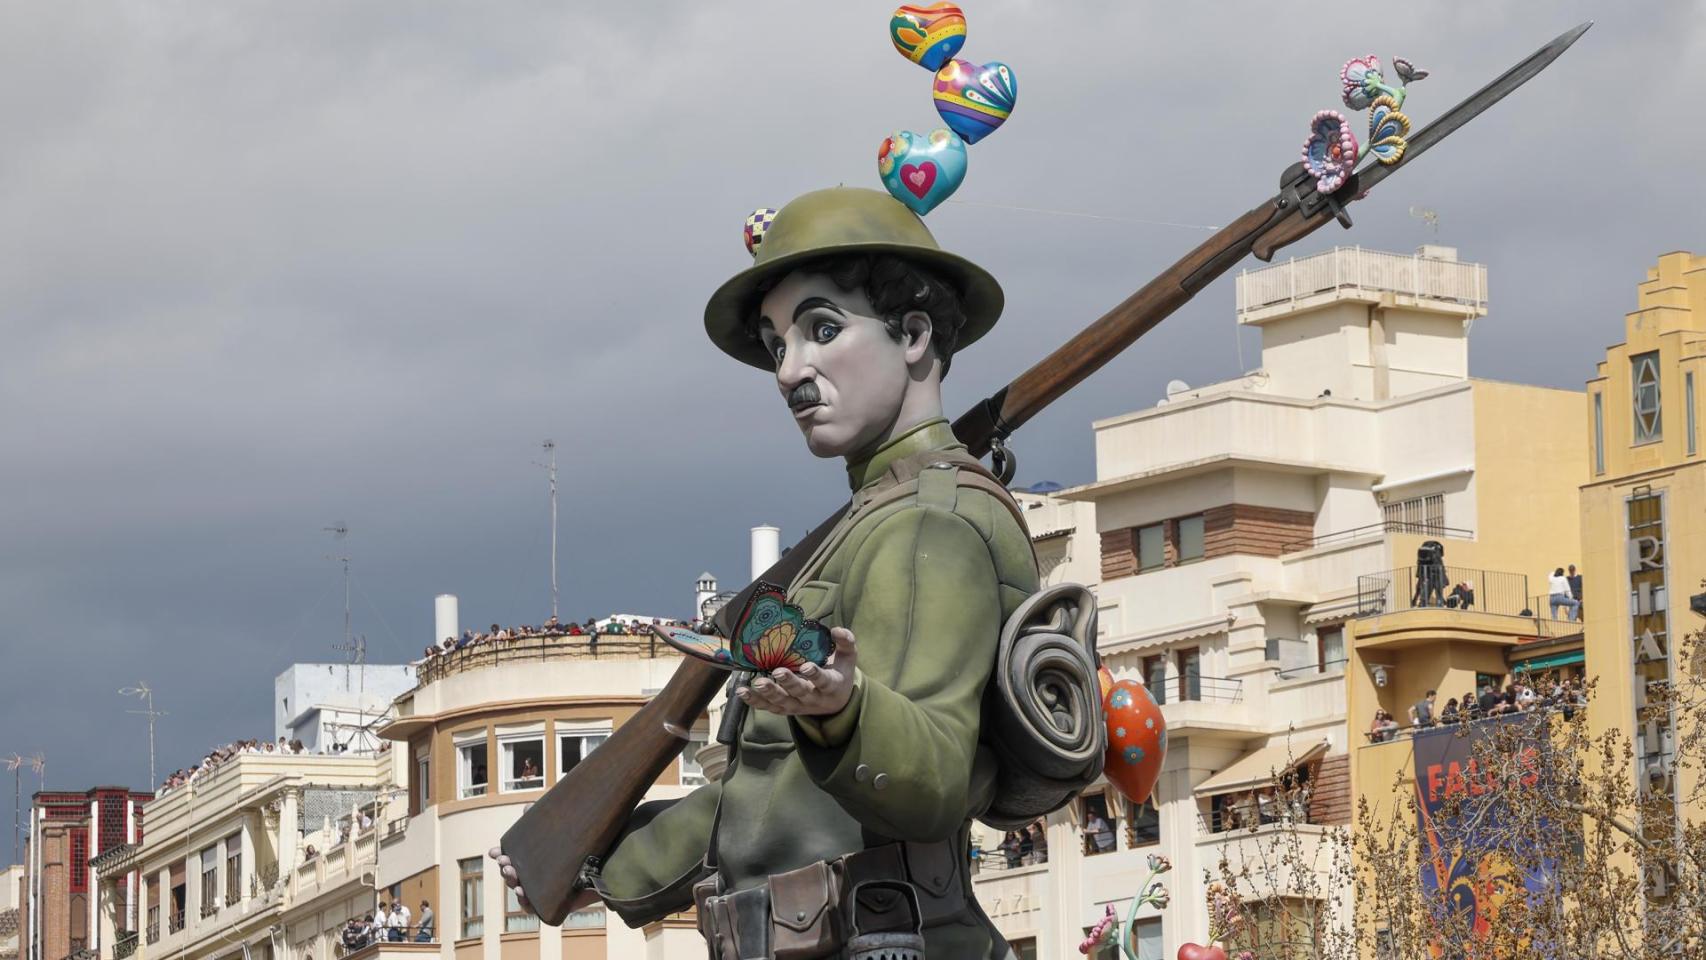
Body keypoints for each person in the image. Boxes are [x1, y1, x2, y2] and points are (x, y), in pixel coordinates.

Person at [494, 187, 1041, 958]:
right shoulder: (859, 531)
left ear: (914, 333)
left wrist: (847, 709)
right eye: (777, 344)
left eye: (822, 329)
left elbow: (934, 780)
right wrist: (600, 863)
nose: (791, 371)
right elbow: (767, 797)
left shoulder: (929, 523)